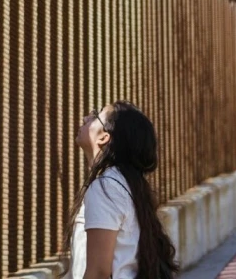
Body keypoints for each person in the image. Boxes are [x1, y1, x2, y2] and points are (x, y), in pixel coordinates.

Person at [62, 100, 179, 279]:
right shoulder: (123, 183)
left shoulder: (105, 187)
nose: (86, 118)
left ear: (104, 137)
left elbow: (98, 272)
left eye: (95, 115)